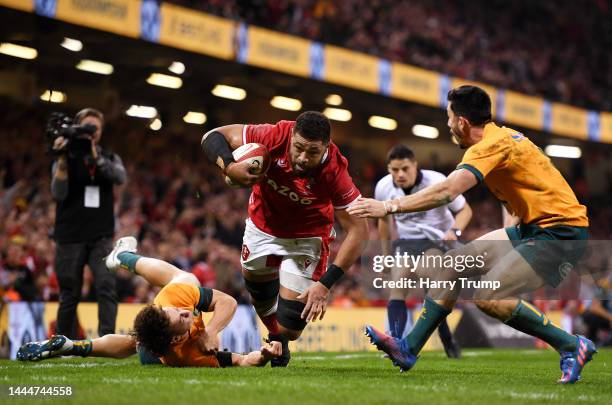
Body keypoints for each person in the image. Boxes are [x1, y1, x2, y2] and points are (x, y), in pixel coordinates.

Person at [348, 85, 595, 384]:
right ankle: (408, 348)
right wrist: (511, 243)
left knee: (488, 296)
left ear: (462, 121)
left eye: (449, 117)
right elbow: (517, 198)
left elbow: (447, 192)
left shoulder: (488, 147)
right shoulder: (504, 138)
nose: (448, 124)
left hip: (560, 231)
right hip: (532, 227)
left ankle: (571, 344)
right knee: (454, 264)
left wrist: (388, 206)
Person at [201, 111, 369, 366]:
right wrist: (230, 165)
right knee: (259, 293)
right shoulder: (274, 135)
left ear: (325, 148)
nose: (302, 157)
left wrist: (325, 284)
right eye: (298, 147)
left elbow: (360, 230)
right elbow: (212, 136)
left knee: (291, 327)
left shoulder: (334, 171)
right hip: (262, 227)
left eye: (312, 152)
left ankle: (282, 337)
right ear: (291, 137)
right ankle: (275, 339)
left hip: (307, 237)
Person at [17, 237, 282, 367]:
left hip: (152, 341)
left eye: (177, 312)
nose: (183, 311)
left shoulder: (171, 301)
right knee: (185, 276)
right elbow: (241, 361)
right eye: (181, 317)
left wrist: (211, 331)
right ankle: (123, 257)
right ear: (176, 338)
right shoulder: (187, 354)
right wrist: (264, 355)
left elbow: (227, 302)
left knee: (179, 285)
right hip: (156, 355)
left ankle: (72, 345)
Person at [375, 144, 472, 357]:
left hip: (437, 241)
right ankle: (396, 344)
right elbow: (383, 221)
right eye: (394, 170)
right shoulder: (383, 187)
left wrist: (454, 231)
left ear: (415, 166)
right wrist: (384, 255)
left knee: (432, 290)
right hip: (407, 242)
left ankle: (446, 336)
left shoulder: (437, 181)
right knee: (398, 287)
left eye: (405, 169)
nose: (400, 174)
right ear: (389, 169)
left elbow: (465, 210)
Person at [51, 108, 126, 338]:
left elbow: (120, 177)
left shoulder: (109, 157)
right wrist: (62, 160)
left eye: (95, 129)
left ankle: (107, 342)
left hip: (101, 236)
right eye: (87, 127)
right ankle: (62, 342)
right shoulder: (65, 154)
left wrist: (96, 157)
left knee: (106, 286)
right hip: (69, 235)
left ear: (102, 132)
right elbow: (58, 192)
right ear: (77, 127)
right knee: (69, 293)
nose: (91, 133)